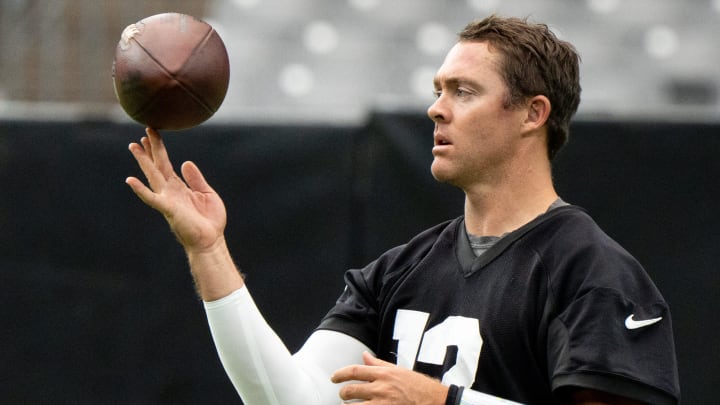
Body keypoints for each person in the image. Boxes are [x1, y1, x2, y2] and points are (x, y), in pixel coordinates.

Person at [126, 15, 680, 405]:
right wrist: (208, 249)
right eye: (439, 90)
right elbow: (292, 400)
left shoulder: (593, 274)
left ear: (532, 113)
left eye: (463, 91)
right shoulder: (398, 272)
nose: (436, 109)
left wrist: (446, 403)